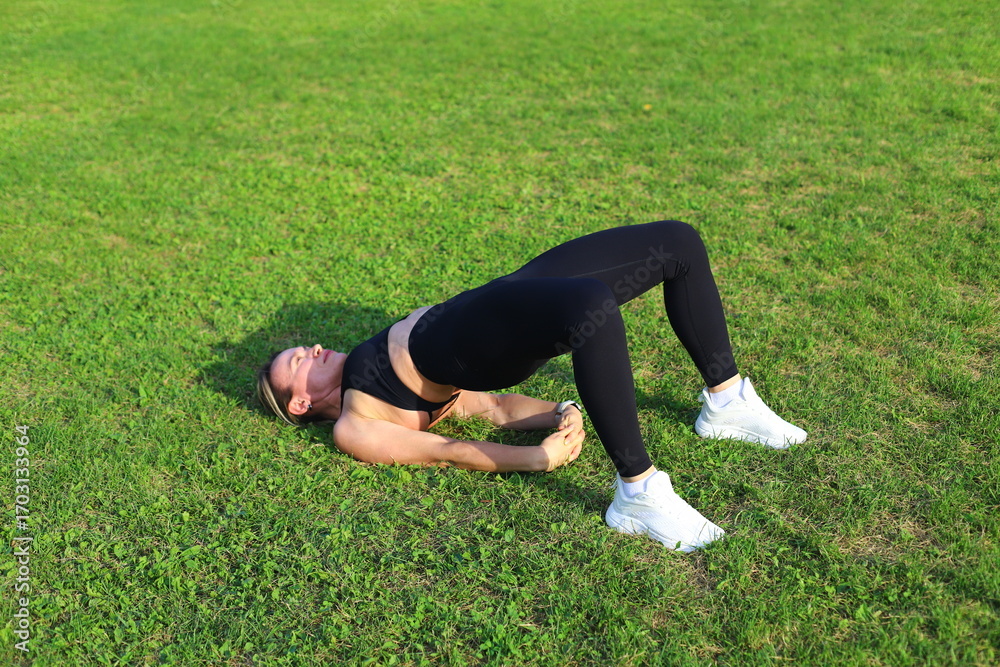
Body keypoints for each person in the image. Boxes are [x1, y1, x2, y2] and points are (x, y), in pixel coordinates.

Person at [256, 221, 806, 552]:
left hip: (494, 301)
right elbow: (445, 449)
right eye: (298, 361)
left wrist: (559, 409)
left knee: (676, 244)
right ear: (300, 402)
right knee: (591, 305)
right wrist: (537, 460)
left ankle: (725, 400)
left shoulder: (371, 376)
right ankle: (638, 493)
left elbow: (492, 408)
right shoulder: (356, 424)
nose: (313, 349)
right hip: (476, 339)